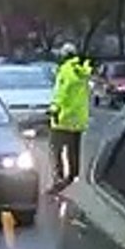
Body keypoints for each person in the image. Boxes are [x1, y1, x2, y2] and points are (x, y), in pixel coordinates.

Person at [47, 42, 93, 195]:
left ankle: (58, 178)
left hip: (63, 118)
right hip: (78, 120)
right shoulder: (83, 72)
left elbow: (62, 92)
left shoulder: (65, 70)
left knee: (55, 149)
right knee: (73, 150)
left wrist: (54, 108)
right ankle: (72, 175)